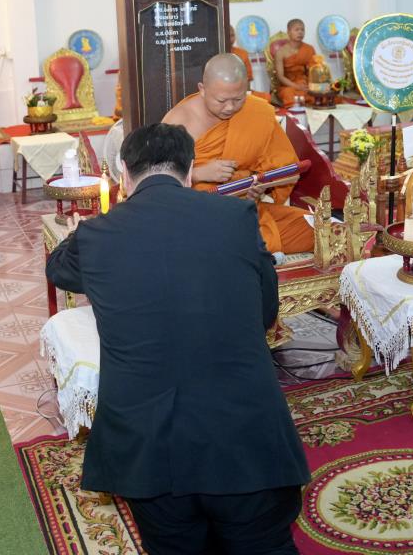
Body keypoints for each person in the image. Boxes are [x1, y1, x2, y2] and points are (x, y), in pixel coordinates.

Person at [45, 123, 310, 555]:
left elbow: (59, 269)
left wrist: (82, 230)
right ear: (189, 172)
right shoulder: (236, 217)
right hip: (244, 434)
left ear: (124, 175)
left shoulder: (97, 236)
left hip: (149, 451)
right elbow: (266, 311)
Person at [163, 54, 315, 255]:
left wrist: (260, 188)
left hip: (247, 209)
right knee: (203, 245)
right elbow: (157, 181)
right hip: (198, 216)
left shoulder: (256, 112)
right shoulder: (179, 121)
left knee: (322, 230)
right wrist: (198, 174)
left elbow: (284, 168)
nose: (230, 107)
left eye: (238, 99)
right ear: (202, 89)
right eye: (221, 100)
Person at [274, 19, 318, 107]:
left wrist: (311, 86)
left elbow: (314, 71)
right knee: (288, 93)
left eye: (302, 30)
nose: (300, 32)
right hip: (289, 85)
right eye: (296, 30)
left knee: (321, 93)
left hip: (305, 84)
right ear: (288, 32)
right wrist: (296, 86)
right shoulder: (281, 52)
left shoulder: (309, 49)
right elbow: (280, 76)